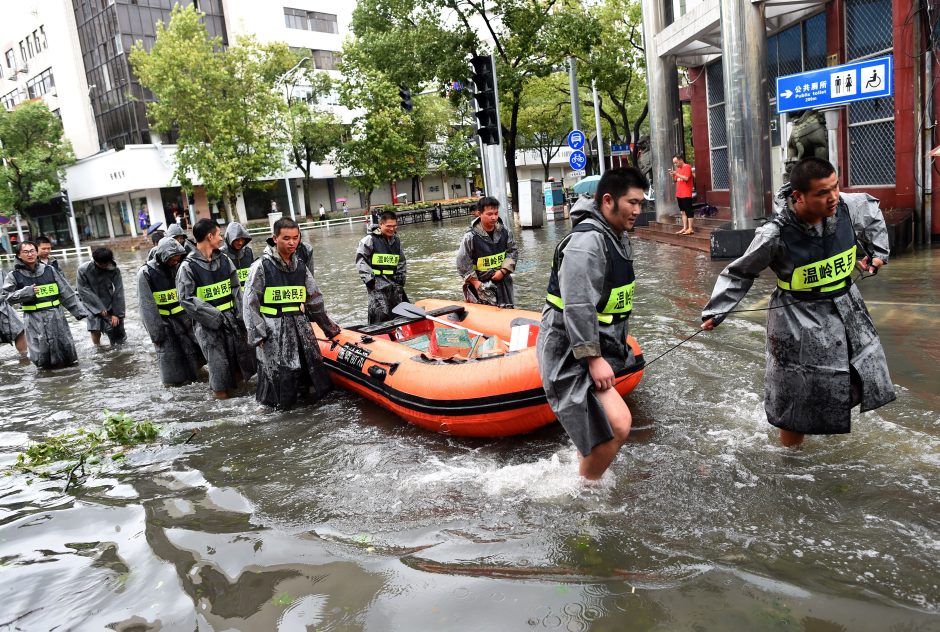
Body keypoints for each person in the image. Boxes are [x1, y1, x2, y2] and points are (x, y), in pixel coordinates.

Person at [700, 157, 896, 447]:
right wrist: (717, 311)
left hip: (848, 307)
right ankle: (791, 457)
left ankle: (829, 433)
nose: (832, 198)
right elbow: (740, 272)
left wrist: (879, 253)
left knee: (858, 373)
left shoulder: (846, 206)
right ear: (798, 196)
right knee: (797, 392)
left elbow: (873, 212)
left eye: (836, 187)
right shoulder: (774, 234)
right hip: (797, 319)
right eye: (822, 193)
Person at [537, 167, 646, 480]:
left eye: (642, 203)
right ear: (608, 201)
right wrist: (594, 358)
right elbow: (578, 305)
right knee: (618, 424)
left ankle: (581, 474)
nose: (638, 211)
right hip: (567, 350)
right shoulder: (587, 243)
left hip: (593, 345)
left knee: (606, 429)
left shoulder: (617, 238)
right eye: (632, 203)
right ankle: (585, 494)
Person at [243, 218, 342, 410]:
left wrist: (328, 328)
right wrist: (258, 334)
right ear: (274, 238)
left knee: (312, 372)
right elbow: (249, 303)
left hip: (301, 326)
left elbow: (314, 300)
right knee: (280, 379)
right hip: (274, 330)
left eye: (295, 238)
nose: (291, 243)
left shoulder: (300, 266)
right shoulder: (261, 267)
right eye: (286, 238)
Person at [176, 218, 256, 398]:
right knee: (218, 368)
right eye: (219, 234)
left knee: (239, 362)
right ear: (209, 236)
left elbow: (236, 289)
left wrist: (241, 316)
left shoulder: (225, 260)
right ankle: (222, 403)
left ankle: (239, 398)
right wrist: (214, 317)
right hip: (207, 326)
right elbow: (186, 299)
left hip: (232, 320)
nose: (221, 238)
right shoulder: (187, 267)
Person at [1, 241, 89, 369]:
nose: (30, 254)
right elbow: (7, 297)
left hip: (56, 316)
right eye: (26, 252)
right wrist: (27, 292)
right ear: (19, 255)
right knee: (41, 355)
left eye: (32, 251)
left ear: (37, 252)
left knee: (65, 350)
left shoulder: (50, 270)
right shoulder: (13, 276)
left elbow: (66, 292)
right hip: (33, 319)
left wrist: (80, 312)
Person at [138, 236, 206, 386]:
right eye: (172, 259)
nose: (175, 262)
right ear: (163, 256)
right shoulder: (146, 272)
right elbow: (146, 306)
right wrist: (156, 334)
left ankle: (196, 377)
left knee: (196, 354)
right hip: (164, 322)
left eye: (177, 259)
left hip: (185, 319)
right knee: (171, 361)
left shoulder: (180, 267)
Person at [456, 196, 517, 307]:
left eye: (496, 213)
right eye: (489, 214)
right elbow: (462, 262)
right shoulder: (470, 237)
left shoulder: (505, 232)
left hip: (503, 281)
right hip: (480, 285)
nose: (494, 217)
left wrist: (503, 271)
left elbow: (512, 252)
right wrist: (475, 283)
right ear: (479, 214)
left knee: (507, 310)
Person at [356, 210, 407, 324]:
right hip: (377, 283)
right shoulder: (369, 240)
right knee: (380, 313)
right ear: (381, 224)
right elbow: (361, 260)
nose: (392, 229)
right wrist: (369, 279)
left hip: (393, 283)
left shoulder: (396, 241)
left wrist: (401, 278)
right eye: (389, 226)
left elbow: (401, 261)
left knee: (398, 312)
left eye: (394, 226)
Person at [76, 247, 127, 346]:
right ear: (94, 260)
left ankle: (117, 348)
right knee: (95, 326)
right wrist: (99, 307)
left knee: (116, 327)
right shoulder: (83, 269)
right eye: (100, 264)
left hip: (107, 298)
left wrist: (117, 313)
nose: (103, 266)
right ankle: (97, 347)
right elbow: (83, 290)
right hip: (89, 301)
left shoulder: (114, 270)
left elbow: (119, 292)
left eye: (106, 264)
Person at [0, 269, 28, 356]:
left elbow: (9, 289)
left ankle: (24, 357)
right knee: (19, 330)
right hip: (3, 304)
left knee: (19, 330)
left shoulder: (1, 271)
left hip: (4, 305)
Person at [220, 222, 254, 287]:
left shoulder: (248, 252)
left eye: (242, 239)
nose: (240, 243)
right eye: (237, 240)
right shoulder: (220, 254)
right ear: (229, 239)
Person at [669, 154, 695, 235]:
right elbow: (675, 180)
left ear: (680, 160)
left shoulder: (687, 167)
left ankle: (690, 228)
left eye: (676, 162)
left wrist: (676, 174)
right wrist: (673, 176)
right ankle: (684, 227)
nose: (675, 164)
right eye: (674, 163)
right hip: (679, 193)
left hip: (686, 193)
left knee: (688, 211)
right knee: (682, 212)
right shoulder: (678, 169)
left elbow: (686, 178)